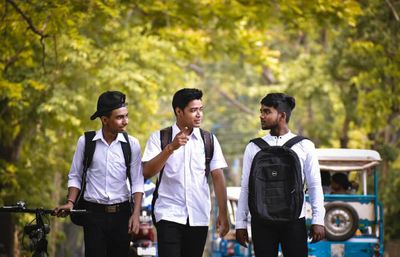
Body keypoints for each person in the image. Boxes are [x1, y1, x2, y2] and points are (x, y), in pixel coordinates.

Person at [53, 91, 144, 257]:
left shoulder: (132, 144)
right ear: (104, 120)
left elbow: (138, 182)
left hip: (121, 214)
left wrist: (136, 214)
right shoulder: (86, 142)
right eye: (119, 117)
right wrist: (70, 202)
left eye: (126, 116)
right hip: (93, 214)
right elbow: (75, 175)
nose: (126, 121)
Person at [235, 93, 325, 257]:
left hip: (294, 219)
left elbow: (314, 186)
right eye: (261, 111)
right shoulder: (253, 147)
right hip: (261, 220)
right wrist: (240, 223)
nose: (261, 116)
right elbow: (246, 188)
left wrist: (318, 220)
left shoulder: (305, 146)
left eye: (267, 112)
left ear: (282, 115)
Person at [142, 88, 229, 257]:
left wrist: (223, 214)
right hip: (168, 213)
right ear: (178, 111)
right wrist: (171, 148)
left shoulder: (209, 140)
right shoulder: (159, 138)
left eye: (200, 110)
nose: (199, 115)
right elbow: (146, 172)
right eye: (193, 110)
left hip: (199, 214)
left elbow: (218, 178)